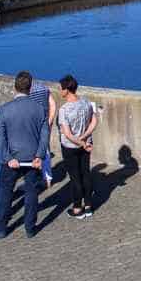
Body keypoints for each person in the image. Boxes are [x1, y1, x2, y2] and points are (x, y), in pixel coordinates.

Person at [0, 71, 48, 239]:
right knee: (31, 193)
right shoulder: (39, 109)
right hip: (32, 158)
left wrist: (8, 158)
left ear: (15, 87)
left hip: (12, 158)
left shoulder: (5, 109)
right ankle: (30, 228)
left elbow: (0, 137)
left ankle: (1, 228)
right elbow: (44, 134)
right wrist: (39, 155)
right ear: (30, 88)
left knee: (5, 193)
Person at [57, 74, 98, 219]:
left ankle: (77, 208)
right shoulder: (86, 102)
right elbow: (94, 121)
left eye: (61, 88)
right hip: (86, 144)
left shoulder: (64, 110)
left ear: (66, 90)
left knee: (75, 177)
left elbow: (67, 134)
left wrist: (80, 142)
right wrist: (85, 138)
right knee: (85, 173)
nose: (59, 91)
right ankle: (88, 205)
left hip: (70, 147)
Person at [28, 77, 57, 188]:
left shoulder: (27, 91)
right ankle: (47, 179)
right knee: (45, 150)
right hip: (45, 124)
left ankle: (33, 179)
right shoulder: (43, 88)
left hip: (32, 125)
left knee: (31, 151)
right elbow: (53, 104)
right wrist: (49, 122)